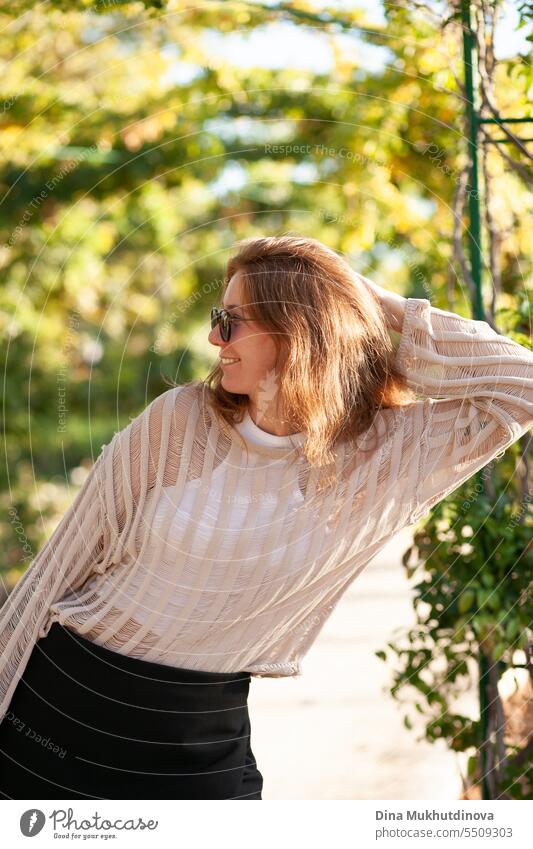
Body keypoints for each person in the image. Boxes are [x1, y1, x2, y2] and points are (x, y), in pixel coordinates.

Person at [0, 234, 532, 800]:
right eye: (215, 319)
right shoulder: (180, 422)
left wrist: (374, 305)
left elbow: (521, 387)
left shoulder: (383, 456)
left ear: (298, 331)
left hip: (200, 736)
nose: (213, 338)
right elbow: (55, 572)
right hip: (58, 706)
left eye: (231, 321)